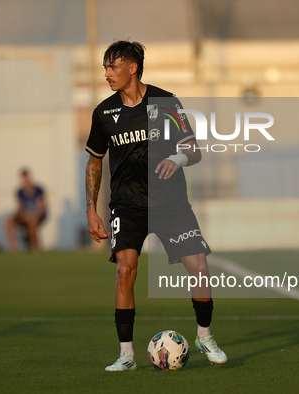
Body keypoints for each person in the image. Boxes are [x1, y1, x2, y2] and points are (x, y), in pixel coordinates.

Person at [85, 40, 227, 371]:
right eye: (105, 67)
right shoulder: (103, 113)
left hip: (170, 203)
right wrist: (91, 210)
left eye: (112, 67)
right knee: (125, 270)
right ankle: (126, 354)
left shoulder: (165, 102)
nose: (107, 74)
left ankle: (204, 335)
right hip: (127, 205)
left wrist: (177, 158)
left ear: (132, 68)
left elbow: (194, 149)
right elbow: (94, 163)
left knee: (200, 267)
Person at [4, 168, 47, 251]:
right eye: (23, 179)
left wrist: (33, 215)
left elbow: (41, 207)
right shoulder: (20, 192)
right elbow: (18, 208)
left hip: (35, 217)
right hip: (24, 216)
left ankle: (34, 248)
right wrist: (22, 215)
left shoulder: (38, 190)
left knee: (32, 221)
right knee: (7, 221)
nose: (25, 181)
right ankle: (14, 248)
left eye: (27, 178)